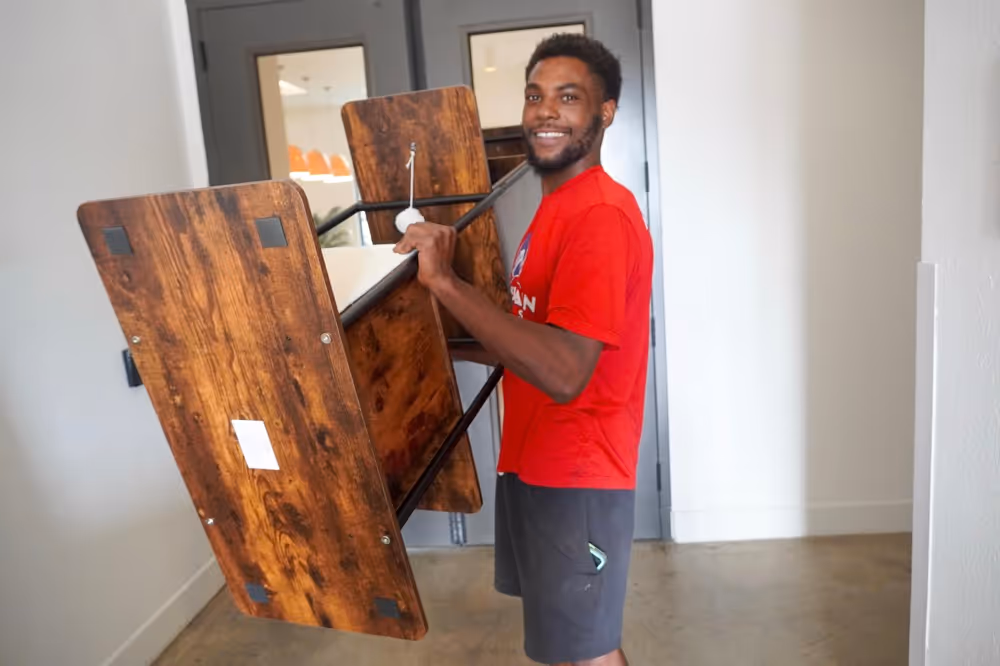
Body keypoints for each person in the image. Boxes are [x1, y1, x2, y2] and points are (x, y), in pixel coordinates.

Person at [394, 33, 653, 666]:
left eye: (569, 97)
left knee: (588, 654)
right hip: (538, 463)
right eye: (535, 95)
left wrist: (450, 285)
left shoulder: (599, 215)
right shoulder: (554, 212)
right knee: (567, 649)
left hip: (579, 474)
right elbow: (530, 340)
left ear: (607, 111)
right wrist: (441, 343)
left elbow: (564, 372)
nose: (545, 111)